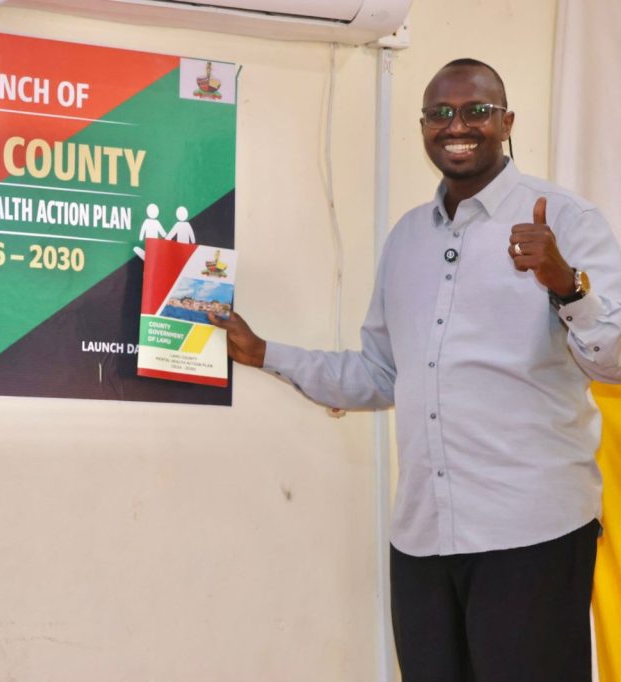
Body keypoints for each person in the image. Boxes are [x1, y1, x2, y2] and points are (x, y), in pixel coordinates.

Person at [212, 59, 621, 680]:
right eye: (440, 114)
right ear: (423, 127)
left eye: (477, 111)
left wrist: (566, 284)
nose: (457, 126)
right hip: (424, 540)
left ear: (507, 122)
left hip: (532, 533)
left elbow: (613, 363)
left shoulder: (567, 220)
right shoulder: (406, 239)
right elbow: (381, 375)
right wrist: (264, 352)